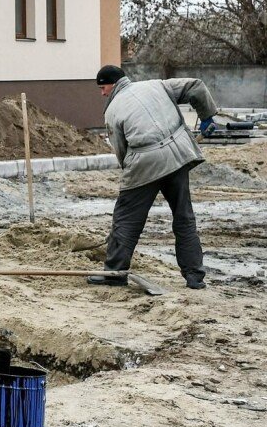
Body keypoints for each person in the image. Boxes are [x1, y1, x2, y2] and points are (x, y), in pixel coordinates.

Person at [92, 65, 217, 290]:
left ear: (113, 84)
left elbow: (121, 151)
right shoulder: (158, 85)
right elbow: (195, 86)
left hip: (143, 164)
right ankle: (194, 277)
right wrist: (206, 115)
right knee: (184, 216)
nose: (102, 93)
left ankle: (115, 273)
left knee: (126, 220)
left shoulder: (112, 111)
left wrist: (130, 179)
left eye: (103, 87)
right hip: (178, 156)